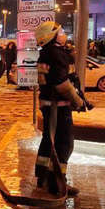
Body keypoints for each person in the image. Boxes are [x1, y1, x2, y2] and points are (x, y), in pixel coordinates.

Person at [34, 21, 84, 197]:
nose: (63, 34)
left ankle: (43, 177)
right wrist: (78, 101)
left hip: (48, 104)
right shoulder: (56, 54)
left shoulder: (46, 54)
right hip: (58, 107)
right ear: (52, 36)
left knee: (49, 140)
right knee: (64, 144)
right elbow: (61, 85)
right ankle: (57, 184)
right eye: (60, 31)